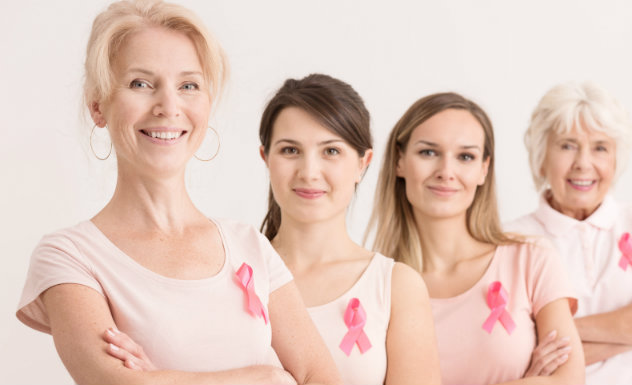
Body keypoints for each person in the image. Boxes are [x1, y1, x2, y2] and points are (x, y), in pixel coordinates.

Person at [15, 1, 340, 384]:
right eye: (141, 83)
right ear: (98, 106)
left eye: (188, 85)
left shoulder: (248, 245)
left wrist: (164, 377)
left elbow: (322, 378)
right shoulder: (70, 257)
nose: (169, 106)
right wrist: (269, 377)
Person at [370, 92, 585, 385]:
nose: (446, 172)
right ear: (399, 161)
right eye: (428, 152)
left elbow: (570, 379)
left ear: (483, 169)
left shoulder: (531, 259)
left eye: (465, 157)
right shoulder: (375, 286)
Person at [256, 74, 440, 385]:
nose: (309, 172)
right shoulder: (235, 272)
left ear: (362, 163)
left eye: (330, 151)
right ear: (266, 158)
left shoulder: (395, 287)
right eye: (290, 150)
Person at [506, 81, 632, 385]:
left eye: (600, 148)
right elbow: (518, 352)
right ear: (541, 157)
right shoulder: (513, 240)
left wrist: (557, 334)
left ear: (616, 159)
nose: (583, 163)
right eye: (567, 145)